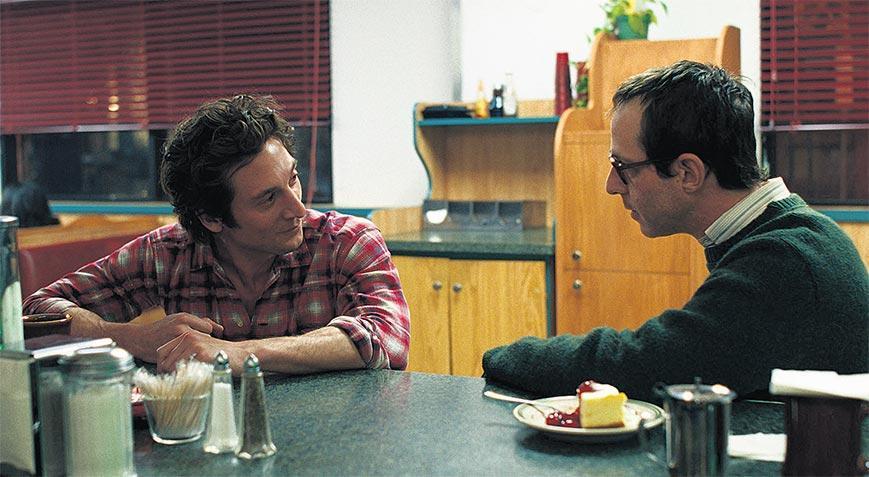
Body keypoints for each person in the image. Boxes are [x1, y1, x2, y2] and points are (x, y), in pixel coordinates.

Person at [482, 60, 868, 401]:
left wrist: (506, 356)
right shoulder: (791, 233)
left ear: (687, 172)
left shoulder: (782, 262)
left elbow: (646, 364)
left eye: (624, 167)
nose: (612, 185)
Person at [23, 94, 410, 375]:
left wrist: (234, 354)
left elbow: (388, 338)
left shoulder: (348, 241)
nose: (297, 208)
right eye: (268, 198)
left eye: (292, 179)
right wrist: (132, 338)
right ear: (211, 219)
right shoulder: (167, 254)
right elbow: (37, 313)